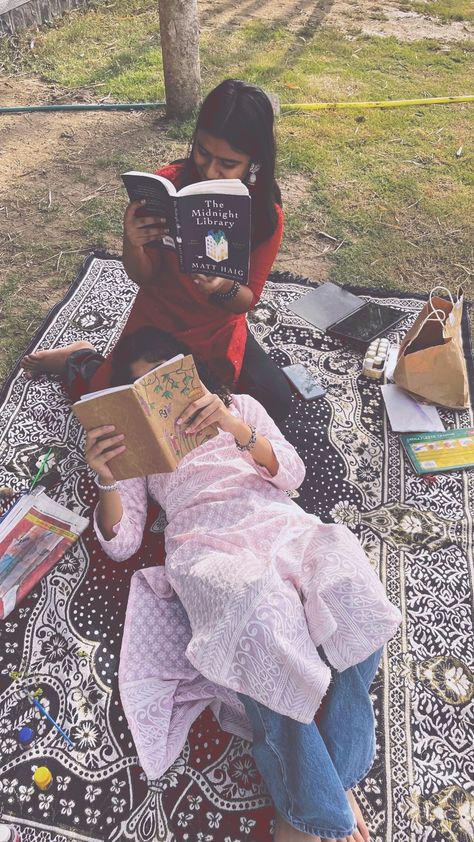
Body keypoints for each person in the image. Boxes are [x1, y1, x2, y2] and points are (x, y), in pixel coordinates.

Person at [72, 326, 401, 842]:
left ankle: (328, 776)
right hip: (207, 543)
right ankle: (319, 801)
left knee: (353, 581)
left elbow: (291, 475)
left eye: (164, 383)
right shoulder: (139, 450)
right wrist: (108, 478)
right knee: (265, 619)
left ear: (188, 373)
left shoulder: (240, 406)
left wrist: (232, 425)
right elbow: (122, 541)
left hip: (276, 520)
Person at [22, 79, 292, 424]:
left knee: (272, 404)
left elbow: (247, 300)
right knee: (118, 414)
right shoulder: (167, 184)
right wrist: (131, 241)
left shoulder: (264, 215)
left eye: (228, 163)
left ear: (254, 163)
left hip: (216, 325)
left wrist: (223, 286)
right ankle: (80, 359)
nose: (210, 170)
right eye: (203, 152)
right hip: (158, 318)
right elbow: (143, 276)